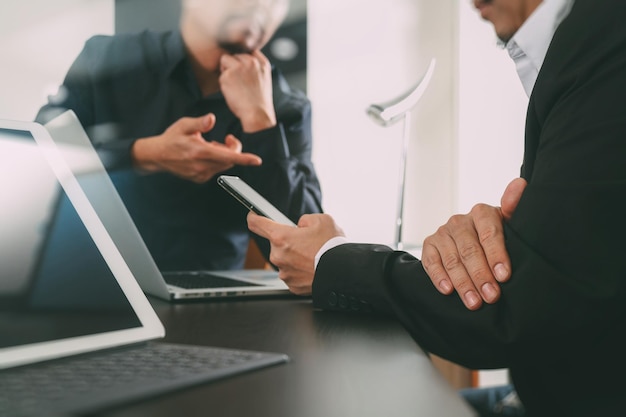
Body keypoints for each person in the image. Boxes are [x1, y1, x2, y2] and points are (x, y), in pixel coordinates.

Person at [246, 0, 626, 415]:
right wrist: (502, 234)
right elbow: (576, 253)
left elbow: (521, 313)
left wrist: (329, 259)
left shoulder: (606, 43)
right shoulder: (581, 48)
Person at [35, 0, 323, 271]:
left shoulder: (287, 108)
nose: (261, 4)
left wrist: (260, 121)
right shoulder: (105, 59)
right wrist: (143, 154)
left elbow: (302, 255)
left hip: (210, 307)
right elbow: (34, 159)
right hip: (83, 277)